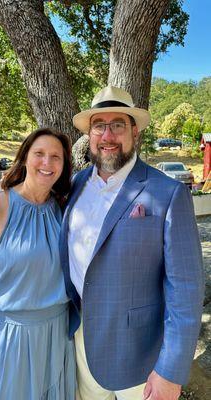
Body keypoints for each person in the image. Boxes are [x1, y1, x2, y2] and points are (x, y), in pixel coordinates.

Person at [60, 86, 204, 400]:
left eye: (118, 125)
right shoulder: (74, 185)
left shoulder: (168, 193)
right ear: (90, 133)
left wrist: (170, 369)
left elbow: (186, 288)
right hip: (80, 343)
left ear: (134, 131)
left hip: (140, 355)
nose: (107, 135)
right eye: (100, 125)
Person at [0, 128, 76, 400]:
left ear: (64, 165)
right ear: (25, 157)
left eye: (56, 157)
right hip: (5, 343)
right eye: (39, 154)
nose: (47, 163)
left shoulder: (64, 211)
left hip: (56, 340)